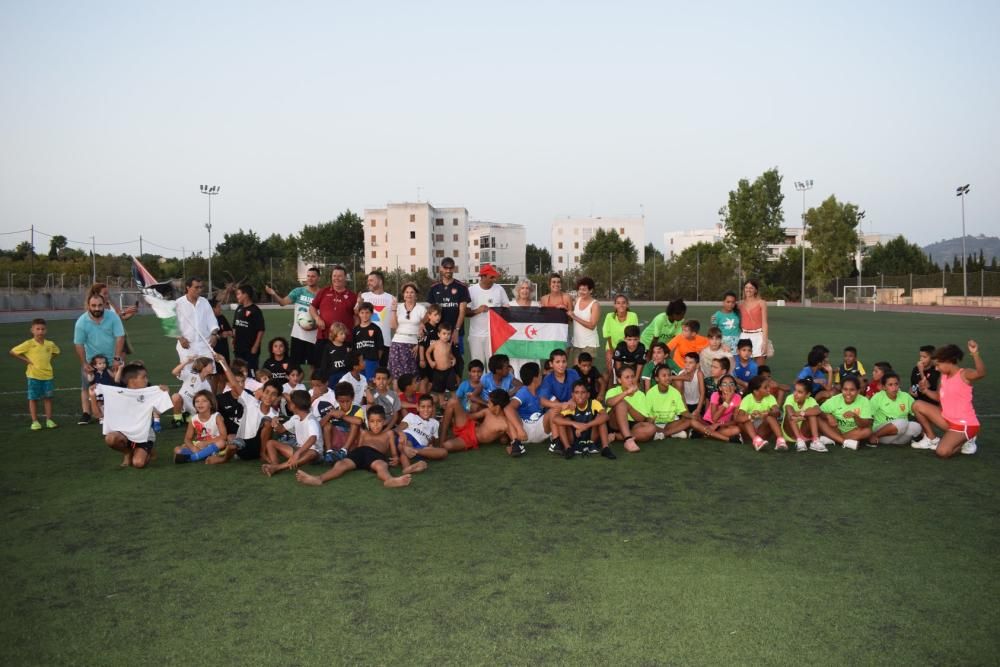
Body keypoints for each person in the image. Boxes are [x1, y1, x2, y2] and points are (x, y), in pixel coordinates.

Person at [295, 405, 411, 488]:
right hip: (360, 452)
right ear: (368, 422)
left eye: (379, 421)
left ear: (384, 421)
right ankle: (319, 479)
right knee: (341, 464)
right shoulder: (364, 432)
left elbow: (394, 453)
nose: (375, 425)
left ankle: (389, 480)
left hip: (376, 455)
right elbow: (359, 447)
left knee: (382, 466)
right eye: (372, 421)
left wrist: (396, 458)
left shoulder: (388, 433)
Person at [911, 341, 985, 458]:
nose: (936, 368)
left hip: (964, 424)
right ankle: (932, 439)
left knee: (942, 452)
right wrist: (925, 390)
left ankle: (967, 438)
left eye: (938, 364)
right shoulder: (943, 377)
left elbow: (981, 373)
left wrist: (975, 353)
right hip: (947, 419)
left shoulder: (964, 374)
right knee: (917, 405)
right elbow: (939, 397)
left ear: (948, 362)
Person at [100, 363, 174, 468]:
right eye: (143, 377)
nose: (146, 380)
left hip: (144, 435)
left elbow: (160, 411)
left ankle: (147, 450)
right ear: (132, 380)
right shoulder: (118, 393)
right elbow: (98, 413)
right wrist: (93, 395)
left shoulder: (149, 392)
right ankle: (127, 452)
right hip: (124, 433)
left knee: (138, 463)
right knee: (110, 439)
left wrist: (165, 394)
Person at [74, 293, 125, 425]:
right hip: (92, 362)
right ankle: (86, 413)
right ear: (88, 306)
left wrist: (117, 358)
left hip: (111, 359)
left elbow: (120, 337)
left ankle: (115, 412)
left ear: (104, 305)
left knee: (116, 385)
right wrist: (84, 363)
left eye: (99, 305)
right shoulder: (81, 322)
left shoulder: (112, 317)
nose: (97, 308)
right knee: (87, 387)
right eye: (93, 305)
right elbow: (78, 344)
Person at [9, 318, 60, 430]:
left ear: (46, 330)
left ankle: (49, 420)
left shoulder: (50, 344)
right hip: (33, 376)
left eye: (42, 329)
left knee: (48, 398)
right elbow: (13, 351)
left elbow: (57, 352)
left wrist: (49, 359)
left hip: (48, 376)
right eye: (37, 329)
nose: (40, 331)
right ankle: (35, 421)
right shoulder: (28, 344)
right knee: (33, 398)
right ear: (32, 330)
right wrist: (26, 360)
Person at [265, 266, 320, 367]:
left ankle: (314, 383)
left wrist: (315, 325)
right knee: (295, 366)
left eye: (313, 276)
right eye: (308, 276)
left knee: (315, 366)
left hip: (314, 337)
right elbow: (282, 302)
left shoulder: (322, 294)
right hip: (298, 335)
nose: (310, 278)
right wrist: (273, 294)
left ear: (318, 278)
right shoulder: (298, 291)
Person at [261, 390, 324, 477]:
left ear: (294, 406)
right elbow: (281, 429)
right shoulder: (295, 417)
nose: (288, 404)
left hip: (314, 454)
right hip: (299, 450)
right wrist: (275, 423)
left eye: (289, 402)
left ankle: (278, 468)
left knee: (312, 453)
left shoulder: (311, 419)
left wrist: (297, 454)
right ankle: (274, 466)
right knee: (270, 443)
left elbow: (313, 438)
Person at [552, 380, 615, 459]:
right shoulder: (571, 406)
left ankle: (606, 448)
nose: (580, 395)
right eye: (577, 392)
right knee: (563, 421)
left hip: (591, 436)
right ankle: (568, 448)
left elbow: (606, 416)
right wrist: (574, 424)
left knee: (600, 417)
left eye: (583, 392)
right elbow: (555, 419)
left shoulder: (594, 403)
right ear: (573, 395)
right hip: (575, 437)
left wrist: (586, 425)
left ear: (588, 395)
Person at [426, 257, 470, 369]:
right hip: (438, 333)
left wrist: (456, 330)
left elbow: (462, 311)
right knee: (438, 361)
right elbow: (430, 311)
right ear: (441, 268)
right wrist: (423, 324)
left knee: (457, 362)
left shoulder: (462, 287)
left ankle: (456, 386)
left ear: (454, 269)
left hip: (455, 333)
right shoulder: (434, 288)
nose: (448, 270)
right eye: (446, 268)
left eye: (451, 268)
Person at [441, 388, 512, 453]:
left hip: (471, 438)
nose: (487, 404)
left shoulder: (504, 424)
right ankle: (442, 438)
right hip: (469, 425)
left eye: (489, 403)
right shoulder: (488, 411)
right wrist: (455, 414)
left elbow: (512, 438)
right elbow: (469, 417)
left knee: (447, 446)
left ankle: (448, 441)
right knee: (453, 401)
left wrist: (509, 444)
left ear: (497, 407)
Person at [604, 366, 655, 452]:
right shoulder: (612, 391)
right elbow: (609, 403)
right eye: (627, 377)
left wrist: (629, 407)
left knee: (651, 429)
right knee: (621, 403)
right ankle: (628, 440)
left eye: (632, 377)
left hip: (632, 424)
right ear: (619, 380)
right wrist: (626, 393)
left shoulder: (640, 395)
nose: (631, 380)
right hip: (614, 422)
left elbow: (641, 419)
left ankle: (617, 436)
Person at [504, 362, 550, 457]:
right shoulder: (524, 391)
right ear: (535, 378)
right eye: (540, 373)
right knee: (509, 412)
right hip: (524, 432)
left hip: (540, 429)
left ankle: (557, 441)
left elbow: (555, 405)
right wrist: (520, 429)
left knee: (553, 411)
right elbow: (508, 408)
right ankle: (516, 444)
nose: (542, 375)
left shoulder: (543, 390)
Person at [466, 264, 510, 365]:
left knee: (494, 366)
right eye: (491, 277)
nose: (494, 279)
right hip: (476, 335)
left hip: (494, 335)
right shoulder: (471, 290)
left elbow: (507, 310)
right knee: (478, 366)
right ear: (483, 277)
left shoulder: (499, 289)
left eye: (495, 277)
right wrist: (478, 310)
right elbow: (465, 312)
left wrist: (498, 311)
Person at [309, 265, 358, 353]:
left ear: (345, 277)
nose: (336, 278)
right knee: (319, 365)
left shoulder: (352, 296)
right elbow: (312, 307)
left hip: (344, 339)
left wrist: (356, 334)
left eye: (339, 276)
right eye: (334, 276)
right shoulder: (323, 292)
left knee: (343, 366)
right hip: (324, 337)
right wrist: (317, 318)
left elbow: (356, 317)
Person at [172, 390, 229, 464]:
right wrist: (193, 448)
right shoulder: (193, 419)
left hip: (214, 445)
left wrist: (206, 443)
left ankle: (192, 458)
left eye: (204, 401)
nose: (200, 404)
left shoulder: (216, 416)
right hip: (200, 446)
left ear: (211, 404)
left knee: (222, 442)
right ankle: (203, 455)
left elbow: (223, 436)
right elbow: (187, 439)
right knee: (177, 449)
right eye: (197, 401)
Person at [868, 372, 923, 447]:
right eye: (890, 385)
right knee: (902, 423)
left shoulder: (905, 396)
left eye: (896, 384)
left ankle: (897, 441)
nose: (894, 387)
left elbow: (918, 413)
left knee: (916, 426)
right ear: (884, 387)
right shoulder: (877, 397)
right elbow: (868, 416)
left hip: (900, 434)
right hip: (881, 434)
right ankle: (875, 436)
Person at [818, 376, 873, 450]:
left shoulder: (864, 401)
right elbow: (818, 411)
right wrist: (827, 416)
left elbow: (866, 424)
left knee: (867, 431)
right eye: (845, 389)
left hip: (852, 432)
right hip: (835, 429)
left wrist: (855, 416)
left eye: (852, 390)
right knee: (818, 418)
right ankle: (844, 441)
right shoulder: (836, 399)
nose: (848, 393)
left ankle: (832, 438)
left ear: (858, 391)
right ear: (841, 390)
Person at [174, 277, 218, 364]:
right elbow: (172, 325)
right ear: (188, 287)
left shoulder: (204, 302)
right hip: (187, 348)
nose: (199, 290)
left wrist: (214, 335)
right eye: (196, 287)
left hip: (205, 347)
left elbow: (212, 322)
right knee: (189, 376)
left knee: (208, 374)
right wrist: (180, 338)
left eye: (201, 287)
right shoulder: (178, 303)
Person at [397, 395, 446, 472]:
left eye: (429, 407)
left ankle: (412, 453)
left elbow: (433, 440)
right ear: (418, 407)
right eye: (423, 407)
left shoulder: (435, 423)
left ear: (433, 407)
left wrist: (430, 446)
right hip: (408, 438)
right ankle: (407, 467)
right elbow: (398, 429)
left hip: (420, 447)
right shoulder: (411, 416)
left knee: (443, 452)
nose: (426, 410)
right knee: (405, 443)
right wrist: (401, 433)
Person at [735, 376, 785, 451]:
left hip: (762, 430)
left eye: (768, 386)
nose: (769, 389)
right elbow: (738, 418)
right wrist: (750, 416)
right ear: (756, 391)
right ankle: (756, 441)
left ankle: (780, 441)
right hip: (749, 430)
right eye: (765, 387)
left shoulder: (770, 397)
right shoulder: (747, 399)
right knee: (746, 419)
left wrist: (768, 413)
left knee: (770, 417)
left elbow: (777, 412)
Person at [356, 270, 395, 365]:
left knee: (382, 372)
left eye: (371, 280)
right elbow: (356, 313)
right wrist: (359, 304)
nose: (368, 283)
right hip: (365, 341)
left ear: (380, 281)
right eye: (368, 280)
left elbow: (395, 320)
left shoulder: (391, 298)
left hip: (385, 342)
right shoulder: (364, 296)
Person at [389, 282, 427, 380]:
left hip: (413, 345)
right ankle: (398, 396)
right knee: (397, 376)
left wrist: (419, 345)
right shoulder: (398, 307)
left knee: (413, 377)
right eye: (406, 292)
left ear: (416, 295)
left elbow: (426, 331)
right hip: (397, 343)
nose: (409, 294)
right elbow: (393, 326)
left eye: (412, 292)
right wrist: (393, 310)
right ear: (403, 295)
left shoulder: (421, 309)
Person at [644, 364, 693, 441]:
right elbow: (648, 417)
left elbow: (683, 411)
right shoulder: (650, 393)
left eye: (669, 375)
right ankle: (671, 433)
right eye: (664, 375)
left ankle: (664, 434)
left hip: (671, 423)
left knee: (688, 421)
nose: (667, 378)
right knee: (649, 427)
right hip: (656, 424)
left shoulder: (675, 392)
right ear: (657, 378)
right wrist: (652, 425)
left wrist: (692, 416)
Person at [690, 374, 743, 443]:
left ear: (735, 387)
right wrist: (727, 401)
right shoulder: (715, 395)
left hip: (721, 425)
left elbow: (735, 420)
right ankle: (727, 439)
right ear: (720, 388)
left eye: (731, 384)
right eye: (724, 384)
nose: (728, 386)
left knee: (737, 429)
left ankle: (703, 434)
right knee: (693, 421)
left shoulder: (737, 398)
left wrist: (719, 424)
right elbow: (714, 418)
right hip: (707, 423)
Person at [169, 355, 214, 427]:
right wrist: (186, 362)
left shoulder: (207, 385)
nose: (213, 367)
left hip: (194, 407)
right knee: (175, 397)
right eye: (211, 365)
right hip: (182, 402)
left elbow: (210, 400)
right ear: (203, 367)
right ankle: (178, 419)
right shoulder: (191, 374)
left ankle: (188, 416)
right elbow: (174, 372)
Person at [508, 278, 540, 376]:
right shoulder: (510, 306)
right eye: (522, 288)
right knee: (516, 369)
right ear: (518, 290)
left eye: (527, 288)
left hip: (531, 344)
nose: (525, 290)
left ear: (530, 291)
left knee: (532, 368)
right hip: (515, 345)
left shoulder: (536, 306)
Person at [781, 379, 825, 452]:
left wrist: (802, 413)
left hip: (804, 432)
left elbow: (818, 410)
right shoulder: (790, 397)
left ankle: (815, 440)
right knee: (790, 415)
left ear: (807, 395)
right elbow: (789, 409)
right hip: (789, 433)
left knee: (812, 413)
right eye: (795, 390)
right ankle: (799, 440)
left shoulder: (811, 400)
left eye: (800, 392)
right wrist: (794, 416)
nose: (795, 394)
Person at [602, 294, 638, 380]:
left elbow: (633, 333)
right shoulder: (609, 316)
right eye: (618, 303)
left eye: (623, 303)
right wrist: (611, 350)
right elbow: (607, 335)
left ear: (627, 304)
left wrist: (629, 350)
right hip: (612, 346)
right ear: (615, 305)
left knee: (628, 370)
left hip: (628, 347)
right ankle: (609, 389)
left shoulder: (633, 315)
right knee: (610, 369)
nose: (621, 305)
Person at [232, 284, 265, 373]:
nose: (237, 296)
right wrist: (233, 340)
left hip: (250, 348)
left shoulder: (255, 310)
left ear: (245, 294)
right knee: (238, 372)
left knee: (251, 371)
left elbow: (261, 330)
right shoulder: (239, 309)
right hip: (238, 348)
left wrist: (256, 346)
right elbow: (235, 326)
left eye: (238, 294)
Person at [568, 276, 601, 366]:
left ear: (591, 290)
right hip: (577, 343)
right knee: (576, 370)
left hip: (589, 344)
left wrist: (574, 317)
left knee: (585, 371)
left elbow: (592, 325)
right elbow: (570, 313)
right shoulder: (577, 300)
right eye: (580, 289)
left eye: (584, 289)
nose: (581, 292)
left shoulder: (595, 305)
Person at [738, 279, 769, 365]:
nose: (748, 290)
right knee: (744, 365)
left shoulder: (761, 303)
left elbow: (765, 323)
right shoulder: (740, 304)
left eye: (751, 288)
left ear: (755, 290)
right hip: (744, 336)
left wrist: (765, 341)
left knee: (760, 367)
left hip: (758, 335)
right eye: (746, 287)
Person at [427, 321, 457, 405]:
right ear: (439, 334)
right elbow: (427, 353)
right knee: (440, 391)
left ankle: (455, 404)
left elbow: (450, 354)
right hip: (438, 371)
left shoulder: (448, 345)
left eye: (448, 334)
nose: (446, 336)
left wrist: (454, 359)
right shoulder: (435, 344)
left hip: (449, 371)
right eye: (444, 333)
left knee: (453, 389)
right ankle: (442, 405)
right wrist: (430, 362)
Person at [353, 302, 385, 381]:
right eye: (362, 313)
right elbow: (354, 347)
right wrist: (359, 361)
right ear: (359, 314)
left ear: (372, 314)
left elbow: (380, 347)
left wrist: (376, 360)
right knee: (360, 383)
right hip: (359, 362)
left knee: (371, 383)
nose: (364, 315)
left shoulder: (376, 329)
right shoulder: (355, 330)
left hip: (372, 361)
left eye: (367, 312)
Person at [318, 322, 351, 388]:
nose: (344, 335)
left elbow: (351, 362)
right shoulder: (328, 347)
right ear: (334, 334)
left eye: (344, 333)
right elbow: (324, 364)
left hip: (345, 375)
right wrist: (323, 377)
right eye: (341, 334)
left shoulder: (348, 346)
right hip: (332, 376)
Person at [673, 352, 705, 417]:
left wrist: (698, 410)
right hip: (685, 404)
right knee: (678, 381)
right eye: (686, 362)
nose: (687, 365)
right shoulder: (681, 373)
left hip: (697, 403)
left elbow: (702, 393)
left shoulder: (699, 373)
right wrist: (683, 374)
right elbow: (679, 392)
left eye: (690, 363)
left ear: (697, 365)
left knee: (695, 420)